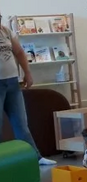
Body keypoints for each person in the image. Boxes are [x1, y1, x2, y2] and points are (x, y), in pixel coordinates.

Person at [0, 19, 53, 165]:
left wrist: (27, 73)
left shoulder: (5, 31)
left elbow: (19, 52)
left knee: (21, 124)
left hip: (12, 82)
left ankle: (35, 157)